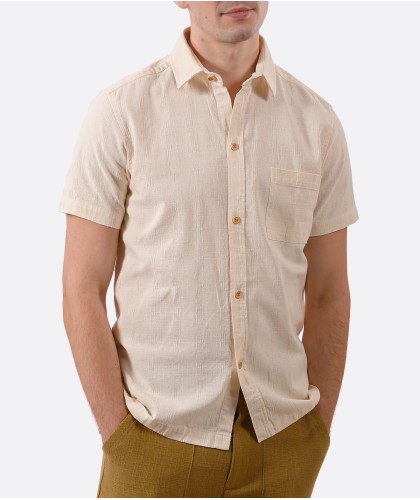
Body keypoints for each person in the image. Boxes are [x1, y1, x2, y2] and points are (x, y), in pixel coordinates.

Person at [58, 1, 359, 497]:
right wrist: (120, 437)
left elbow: (330, 292)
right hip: (153, 443)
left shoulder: (316, 122)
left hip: (283, 445)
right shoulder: (121, 113)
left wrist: (315, 433)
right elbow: (81, 287)